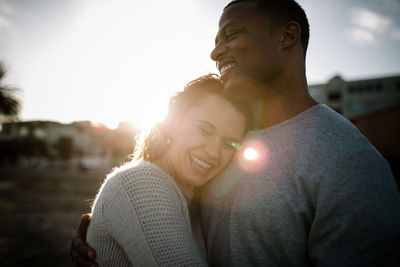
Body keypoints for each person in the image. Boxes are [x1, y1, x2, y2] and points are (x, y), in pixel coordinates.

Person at [71, 0, 400, 266]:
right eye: (215, 42)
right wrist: (108, 233)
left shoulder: (349, 160)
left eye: (232, 34)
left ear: (286, 36)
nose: (215, 53)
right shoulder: (229, 136)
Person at [81, 74, 249, 266]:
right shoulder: (141, 182)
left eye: (229, 143)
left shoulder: (190, 199)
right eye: (205, 130)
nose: (213, 152)